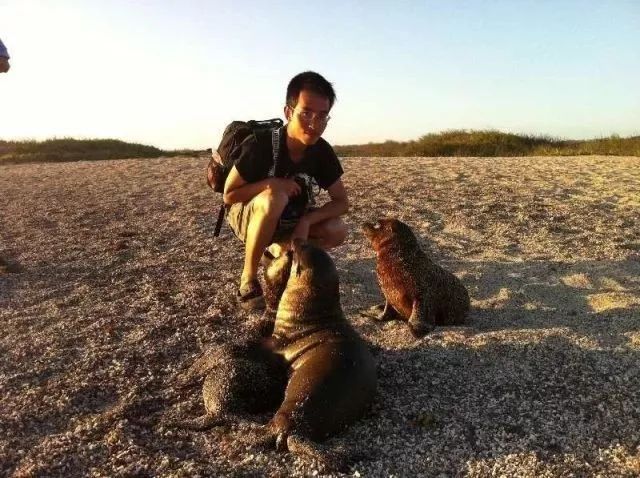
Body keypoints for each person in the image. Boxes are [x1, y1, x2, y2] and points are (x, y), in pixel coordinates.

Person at [223, 71, 349, 311]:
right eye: (306, 113)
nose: (315, 123)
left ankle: (278, 252)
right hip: (249, 216)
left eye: (323, 116)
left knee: (337, 229)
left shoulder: (321, 151)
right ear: (289, 113)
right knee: (275, 198)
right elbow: (229, 195)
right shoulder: (260, 145)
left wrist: (307, 220)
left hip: (290, 219)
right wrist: (270, 184)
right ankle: (248, 279)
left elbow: (341, 202)